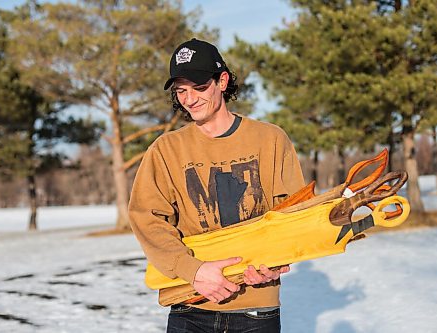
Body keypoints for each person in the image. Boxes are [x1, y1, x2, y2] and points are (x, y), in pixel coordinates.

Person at [129, 38, 305, 332]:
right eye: (181, 91)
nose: (189, 99)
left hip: (256, 310)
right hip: (190, 305)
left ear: (222, 81)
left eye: (199, 87)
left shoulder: (270, 140)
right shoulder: (165, 150)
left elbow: (292, 213)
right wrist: (193, 271)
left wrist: (272, 262)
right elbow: (148, 219)